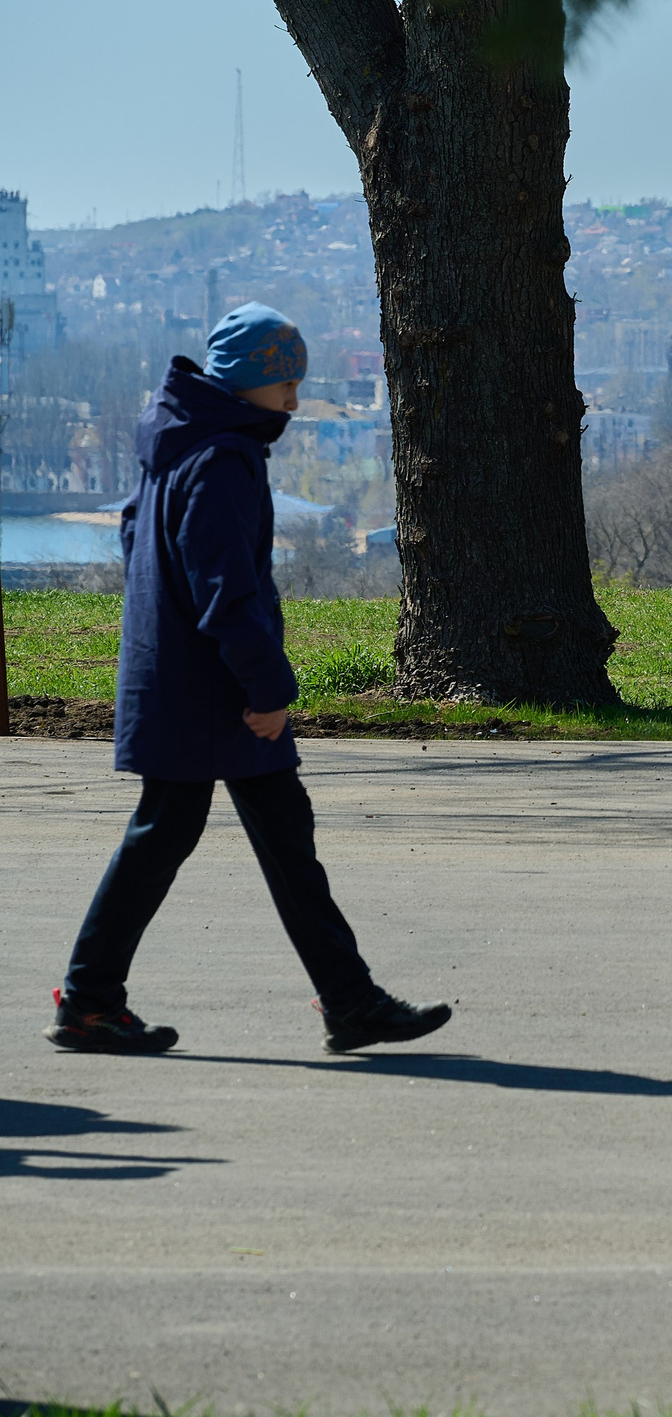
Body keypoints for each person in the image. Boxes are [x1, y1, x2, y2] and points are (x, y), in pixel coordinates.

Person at [44, 304, 453, 1056]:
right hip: (215, 693)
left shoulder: (176, 444)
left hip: (179, 680)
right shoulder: (222, 459)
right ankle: (92, 1000)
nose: (294, 401)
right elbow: (225, 588)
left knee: (249, 834)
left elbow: (145, 548)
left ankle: (347, 999)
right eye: (285, 383)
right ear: (246, 382)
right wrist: (265, 690)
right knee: (181, 833)